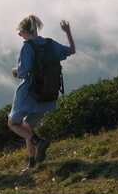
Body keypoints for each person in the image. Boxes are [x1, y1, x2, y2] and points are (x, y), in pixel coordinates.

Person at [9, 15, 76, 171]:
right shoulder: (50, 44)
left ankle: (39, 142)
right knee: (28, 127)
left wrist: (15, 71)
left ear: (27, 31)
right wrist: (67, 32)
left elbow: (22, 72)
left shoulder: (27, 47)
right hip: (48, 95)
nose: (20, 35)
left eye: (21, 32)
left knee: (13, 123)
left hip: (30, 94)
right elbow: (71, 50)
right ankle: (32, 162)